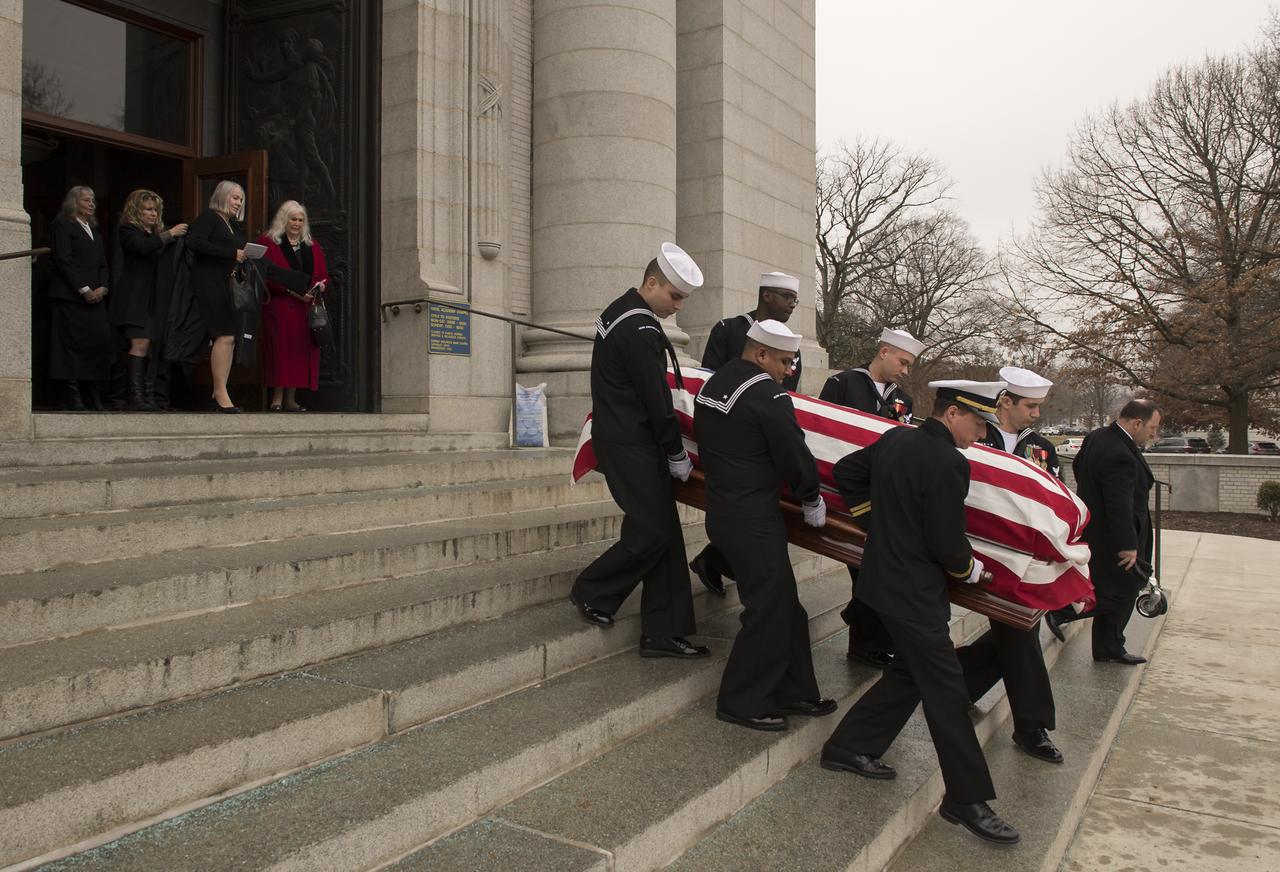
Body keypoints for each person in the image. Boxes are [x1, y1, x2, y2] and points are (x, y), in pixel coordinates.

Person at [820, 379, 1021, 846]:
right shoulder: (949, 462)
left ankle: (849, 747)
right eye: (977, 422)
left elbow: (848, 471)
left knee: (911, 672)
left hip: (882, 581)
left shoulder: (896, 437)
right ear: (952, 414)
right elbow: (947, 541)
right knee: (947, 692)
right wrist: (969, 570)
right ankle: (966, 799)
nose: (982, 433)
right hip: (913, 593)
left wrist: (876, 522)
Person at [568, 243, 710, 660]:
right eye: (674, 296)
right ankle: (591, 589)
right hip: (633, 442)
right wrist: (675, 449)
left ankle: (664, 631)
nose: (678, 306)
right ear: (652, 283)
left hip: (623, 437)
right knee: (652, 531)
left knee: (662, 532)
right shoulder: (642, 328)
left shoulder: (621, 312)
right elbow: (654, 397)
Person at [694, 318, 835, 731]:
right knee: (768, 611)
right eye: (785, 361)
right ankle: (741, 701)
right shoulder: (768, 396)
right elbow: (793, 452)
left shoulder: (712, 387)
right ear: (760, 354)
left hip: (724, 513)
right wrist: (811, 495)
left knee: (786, 607)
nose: (789, 370)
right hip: (754, 520)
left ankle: (795, 690)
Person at [957, 366, 1064, 765]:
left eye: (1039, 407)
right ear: (1005, 403)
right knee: (1021, 628)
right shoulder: (974, 435)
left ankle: (959, 680)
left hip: (1024, 555)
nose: (1037, 414)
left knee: (1016, 627)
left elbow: (1056, 497)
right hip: (978, 547)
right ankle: (1032, 726)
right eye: (1031, 406)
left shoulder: (1043, 449)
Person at [689, 270, 804, 598]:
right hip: (730, 441)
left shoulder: (788, 344)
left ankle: (714, 560)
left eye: (795, 299)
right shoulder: (729, 330)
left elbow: (786, 396)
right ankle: (717, 561)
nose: (793, 305)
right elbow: (707, 379)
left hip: (764, 440)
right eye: (787, 297)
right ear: (766, 295)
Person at [819, 328, 925, 670]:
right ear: (883, 352)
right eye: (903, 362)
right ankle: (866, 642)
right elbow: (822, 430)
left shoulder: (903, 400)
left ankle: (865, 638)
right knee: (865, 569)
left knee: (870, 569)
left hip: (883, 494)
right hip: (846, 487)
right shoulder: (843, 384)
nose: (906, 371)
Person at [1047, 398, 1160, 665]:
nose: (1154, 433)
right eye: (1153, 427)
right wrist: (1128, 544)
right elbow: (1118, 503)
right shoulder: (1119, 453)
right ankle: (1065, 611)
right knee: (1123, 590)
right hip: (1116, 535)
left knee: (1113, 587)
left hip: (1098, 529)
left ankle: (1109, 646)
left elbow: (1078, 467)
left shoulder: (1098, 437)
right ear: (1137, 423)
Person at [111, 190, 188, 411]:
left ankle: (146, 396)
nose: (153, 213)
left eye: (155, 209)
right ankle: (135, 397)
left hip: (153, 298)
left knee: (150, 346)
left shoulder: (153, 235)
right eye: (147, 209)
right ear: (136, 210)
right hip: (134, 298)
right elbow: (141, 248)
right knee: (140, 343)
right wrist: (169, 234)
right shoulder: (128, 230)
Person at [258, 200, 330, 411]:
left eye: (300, 220)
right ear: (284, 219)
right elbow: (264, 275)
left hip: (306, 309)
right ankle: (276, 399)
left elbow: (323, 274)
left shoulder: (311, 245)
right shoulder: (268, 242)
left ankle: (291, 399)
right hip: (281, 306)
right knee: (281, 353)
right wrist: (291, 292)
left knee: (300, 353)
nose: (297, 223)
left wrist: (321, 286)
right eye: (293, 219)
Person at [186, 181, 250, 413]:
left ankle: (218, 392)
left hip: (228, 287)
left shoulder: (232, 226)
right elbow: (194, 242)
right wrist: (232, 253)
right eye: (234, 197)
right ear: (222, 196)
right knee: (224, 336)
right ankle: (221, 394)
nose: (238, 203)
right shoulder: (209, 217)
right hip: (209, 284)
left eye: (241, 199)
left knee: (230, 339)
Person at [48, 186, 112, 411]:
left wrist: (103, 287)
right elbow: (63, 260)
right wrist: (84, 290)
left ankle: (93, 392)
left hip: (96, 299)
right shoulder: (63, 225)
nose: (92, 204)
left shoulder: (95, 231)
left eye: (93, 200)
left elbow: (103, 264)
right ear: (74, 202)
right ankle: (72, 395)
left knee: (97, 343)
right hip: (70, 297)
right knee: (70, 346)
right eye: (86, 200)